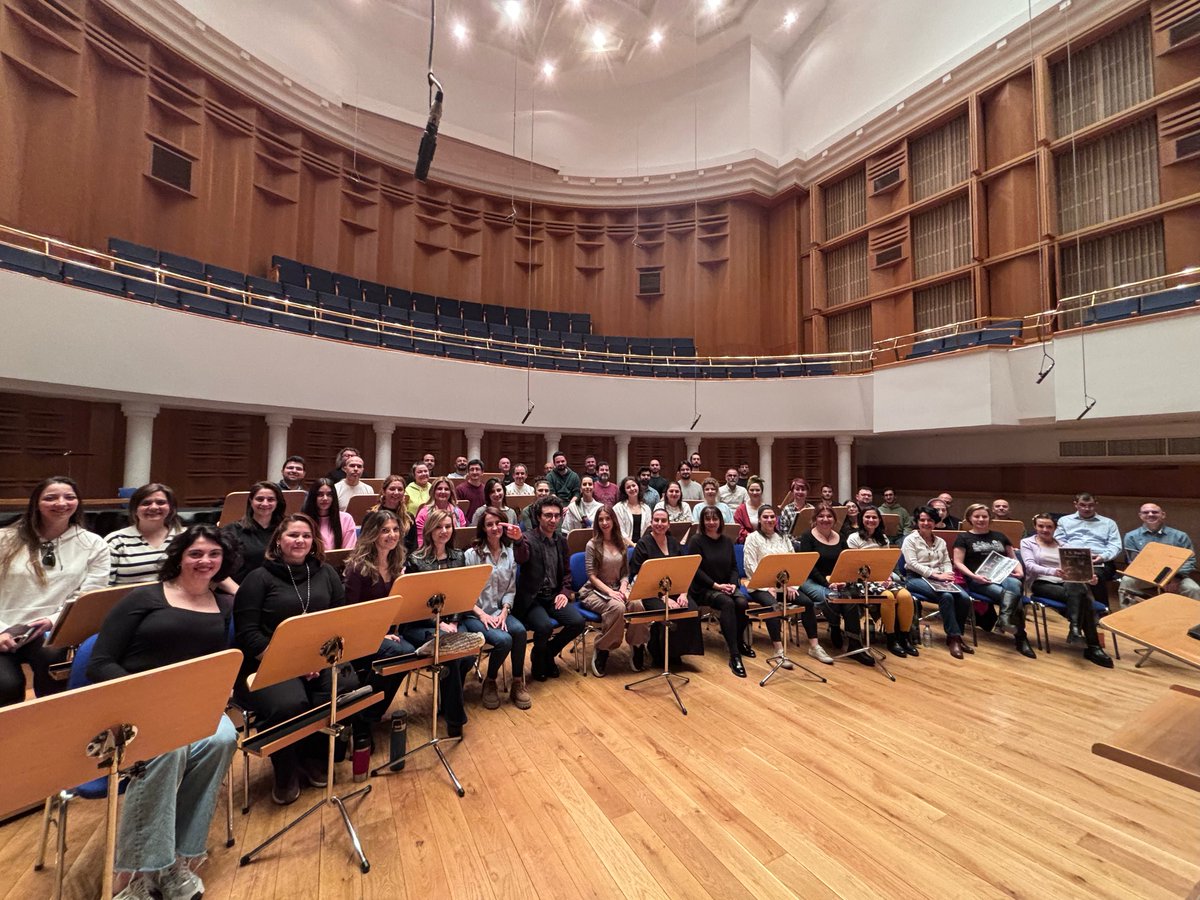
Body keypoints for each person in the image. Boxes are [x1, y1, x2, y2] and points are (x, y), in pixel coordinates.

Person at [88, 525, 239, 900]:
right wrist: (148, 699)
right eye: (196, 554)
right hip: (132, 706)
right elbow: (101, 661)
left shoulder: (224, 605)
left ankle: (178, 860)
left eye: (213, 555)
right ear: (179, 557)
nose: (205, 562)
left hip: (190, 704)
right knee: (169, 748)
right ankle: (138, 870)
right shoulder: (144, 598)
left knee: (224, 737)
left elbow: (213, 664)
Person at [233, 513, 347, 804]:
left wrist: (317, 659)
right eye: (293, 535)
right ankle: (285, 771)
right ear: (278, 541)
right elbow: (249, 634)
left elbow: (338, 618)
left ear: (313, 542)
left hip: (319, 659)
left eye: (306, 536)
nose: (300, 541)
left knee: (341, 688)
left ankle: (313, 757)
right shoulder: (258, 578)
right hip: (266, 664)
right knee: (288, 703)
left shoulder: (325, 573)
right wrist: (293, 663)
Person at [0, 476, 109, 707]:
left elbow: (88, 597)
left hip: (52, 631)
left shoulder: (94, 544)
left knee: (54, 673)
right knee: (7, 686)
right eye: (51, 498)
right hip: (4, 628)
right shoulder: (4, 539)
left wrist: (53, 620)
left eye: (69, 497)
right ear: (36, 503)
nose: (61, 503)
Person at [342, 511, 423, 739]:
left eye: (395, 530)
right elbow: (350, 614)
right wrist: (380, 635)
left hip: (385, 635)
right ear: (372, 534)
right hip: (358, 637)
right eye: (385, 530)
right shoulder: (358, 569)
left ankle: (369, 714)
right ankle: (363, 719)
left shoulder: (396, 564)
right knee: (403, 653)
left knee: (407, 655)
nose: (392, 535)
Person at [404, 508, 472, 733]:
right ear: (430, 530)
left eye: (448, 527)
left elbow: (461, 594)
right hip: (420, 624)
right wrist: (438, 622)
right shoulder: (416, 559)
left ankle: (448, 700)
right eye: (439, 527)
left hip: (450, 622)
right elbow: (414, 604)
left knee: (468, 653)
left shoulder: (459, 556)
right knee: (452, 654)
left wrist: (452, 622)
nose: (444, 531)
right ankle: (455, 719)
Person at [743, 504, 834, 665]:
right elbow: (750, 567)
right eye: (765, 517)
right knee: (773, 606)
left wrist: (791, 585)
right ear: (759, 520)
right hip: (760, 585)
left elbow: (793, 562)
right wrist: (767, 587)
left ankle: (814, 646)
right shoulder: (752, 538)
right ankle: (779, 650)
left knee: (806, 602)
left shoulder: (783, 537)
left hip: (783, 585)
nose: (769, 520)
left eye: (772, 517)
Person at [1021, 514, 1113, 667]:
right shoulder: (1027, 543)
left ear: (1055, 528)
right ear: (1035, 527)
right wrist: (1052, 571)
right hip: (1041, 582)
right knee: (1085, 599)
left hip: (1068, 583)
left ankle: (1075, 629)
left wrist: (1090, 578)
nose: (1045, 529)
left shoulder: (1065, 545)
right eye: (1041, 526)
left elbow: (1078, 570)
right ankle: (1093, 646)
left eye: (1049, 526)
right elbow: (1030, 566)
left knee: (1078, 588)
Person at [462, 509, 531, 709]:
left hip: (499, 611)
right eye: (489, 524)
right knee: (504, 640)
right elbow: (464, 593)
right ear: (483, 528)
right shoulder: (471, 555)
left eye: (498, 524)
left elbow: (511, 588)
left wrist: (505, 611)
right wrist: (482, 614)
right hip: (476, 613)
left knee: (519, 631)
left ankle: (517, 682)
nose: (494, 528)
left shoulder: (510, 553)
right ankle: (490, 681)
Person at [513, 497, 585, 681]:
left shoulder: (561, 541)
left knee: (577, 622)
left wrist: (564, 592)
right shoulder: (527, 538)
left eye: (556, 516)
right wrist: (518, 541)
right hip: (532, 599)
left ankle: (546, 653)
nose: (553, 520)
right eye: (548, 516)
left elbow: (567, 573)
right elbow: (521, 558)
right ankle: (539, 659)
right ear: (538, 517)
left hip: (553, 595)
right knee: (544, 627)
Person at [953, 503, 1034, 658]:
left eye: (984, 516)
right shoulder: (963, 537)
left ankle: (1003, 619)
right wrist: (974, 576)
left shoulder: (1000, 536)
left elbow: (1013, 557)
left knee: (1015, 584)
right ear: (970, 518)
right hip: (979, 580)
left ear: (989, 518)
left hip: (1003, 575)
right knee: (1012, 595)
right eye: (977, 516)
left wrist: (1020, 570)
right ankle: (1021, 638)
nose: (981, 519)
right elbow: (958, 563)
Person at [798, 503, 873, 666]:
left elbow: (847, 561)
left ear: (834, 519)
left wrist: (843, 580)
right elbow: (810, 567)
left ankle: (855, 644)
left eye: (829, 516)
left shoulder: (841, 537)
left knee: (850, 595)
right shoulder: (807, 537)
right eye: (821, 516)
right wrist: (827, 582)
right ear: (814, 519)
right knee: (831, 596)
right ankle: (834, 625)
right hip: (811, 579)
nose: (825, 519)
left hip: (837, 579)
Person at [576, 507, 648, 676]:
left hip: (619, 586)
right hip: (595, 590)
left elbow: (625, 573)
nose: (604, 523)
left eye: (608, 518)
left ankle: (637, 645)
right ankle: (602, 648)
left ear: (614, 520)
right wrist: (610, 592)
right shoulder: (592, 545)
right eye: (601, 519)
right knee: (617, 607)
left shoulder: (621, 542)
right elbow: (592, 576)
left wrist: (623, 587)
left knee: (637, 604)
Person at [630, 508, 704, 665]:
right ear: (651, 523)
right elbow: (637, 577)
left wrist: (683, 594)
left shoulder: (673, 542)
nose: (659, 524)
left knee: (692, 609)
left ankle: (676, 652)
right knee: (670, 611)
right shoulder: (643, 544)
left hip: (675, 590)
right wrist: (664, 598)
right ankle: (658, 652)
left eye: (663, 521)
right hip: (650, 593)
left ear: (669, 524)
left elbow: (683, 571)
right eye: (656, 520)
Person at [686, 506, 750, 677]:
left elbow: (734, 568)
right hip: (704, 588)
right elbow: (696, 571)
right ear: (703, 521)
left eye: (715, 519)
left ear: (721, 521)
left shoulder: (727, 541)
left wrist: (733, 584)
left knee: (743, 603)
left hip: (725, 586)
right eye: (708, 519)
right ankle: (734, 654)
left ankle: (737, 640)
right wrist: (716, 586)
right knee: (728, 603)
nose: (711, 522)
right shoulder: (696, 541)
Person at [902, 507, 974, 659]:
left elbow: (947, 561)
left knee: (964, 598)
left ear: (935, 523)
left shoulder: (940, 541)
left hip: (940, 578)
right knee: (946, 596)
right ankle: (954, 638)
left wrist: (947, 574)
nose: (926, 523)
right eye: (922, 520)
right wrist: (935, 575)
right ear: (917, 522)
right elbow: (912, 563)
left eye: (930, 520)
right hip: (915, 578)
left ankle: (956, 634)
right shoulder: (910, 540)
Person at [847, 506, 917, 657]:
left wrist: (887, 576)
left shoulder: (883, 538)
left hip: (882, 577)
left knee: (905, 596)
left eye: (874, 517)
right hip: (862, 580)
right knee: (888, 597)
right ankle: (891, 639)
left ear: (879, 520)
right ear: (861, 519)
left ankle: (904, 638)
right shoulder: (853, 538)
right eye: (867, 517)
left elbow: (886, 563)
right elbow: (855, 566)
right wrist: (878, 577)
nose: (871, 520)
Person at [1119, 502, 1200, 604]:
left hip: (1175, 576)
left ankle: (1195, 619)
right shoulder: (1131, 536)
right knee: (1127, 581)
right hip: (1145, 577)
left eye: (1155, 512)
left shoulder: (1180, 536)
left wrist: (1174, 578)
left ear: (1163, 515)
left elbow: (1190, 561)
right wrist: (1161, 578)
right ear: (1140, 516)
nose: (1150, 514)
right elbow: (1134, 563)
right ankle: (1127, 617)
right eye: (1146, 512)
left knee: (1194, 589)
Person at [105, 482, 184, 585]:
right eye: (146, 503)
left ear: (171, 508)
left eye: (160, 502)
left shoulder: (185, 537)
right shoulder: (115, 541)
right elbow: (104, 586)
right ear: (134, 509)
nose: (154, 507)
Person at [1054, 492, 1122, 612]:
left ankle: (1102, 610)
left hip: (1100, 561)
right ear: (1076, 505)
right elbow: (1058, 541)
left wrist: (1102, 556)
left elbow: (1115, 546)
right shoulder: (1064, 521)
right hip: (1072, 559)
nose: (1087, 508)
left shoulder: (1108, 523)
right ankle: (1074, 611)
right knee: (1066, 574)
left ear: (1096, 504)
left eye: (1090, 505)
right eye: (1083, 505)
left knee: (1094, 574)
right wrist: (1075, 554)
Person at [223, 481, 285, 585]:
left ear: (277, 502)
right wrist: (238, 592)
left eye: (271, 499)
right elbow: (220, 570)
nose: (265, 503)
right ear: (251, 501)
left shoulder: (287, 529)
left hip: (279, 589)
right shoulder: (232, 530)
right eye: (260, 499)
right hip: (241, 588)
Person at [302, 477, 358, 551]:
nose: (325, 498)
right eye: (320, 494)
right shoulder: (303, 520)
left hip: (338, 561)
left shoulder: (346, 519)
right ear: (313, 497)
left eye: (329, 495)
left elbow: (348, 551)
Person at [413, 477, 466, 547]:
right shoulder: (424, 513)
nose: (443, 492)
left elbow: (461, 537)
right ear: (433, 491)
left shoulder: (458, 513)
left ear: (451, 492)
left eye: (446, 489)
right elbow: (420, 540)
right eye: (439, 489)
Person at [612, 476, 650, 543]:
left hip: (643, 546)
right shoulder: (617, 508)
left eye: (633, 485)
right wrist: (633, 545)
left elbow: (648, 529)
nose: (632, 489)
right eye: (628, 487)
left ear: (638, 486)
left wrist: (641, 546)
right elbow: (620, 531)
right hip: (624, 547)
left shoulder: (646, 508)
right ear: (624, 491)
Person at [732, 476, 766, 543]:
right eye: (752, 490)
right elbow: (739, 528)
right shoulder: (741, 509)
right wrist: (751, 536)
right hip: (746, 541)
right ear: (747, 491)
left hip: (765, 541)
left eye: (757, 490)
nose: (754, 492)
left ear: (762, 491)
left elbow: (773, 526)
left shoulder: (767, 509)